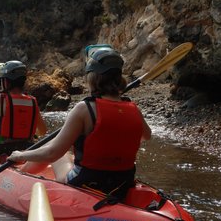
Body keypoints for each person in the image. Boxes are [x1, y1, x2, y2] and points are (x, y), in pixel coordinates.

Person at [8, 45, 151, 199]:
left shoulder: (85, 109)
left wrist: (21, 154)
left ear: (92, 78)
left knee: (59, 153)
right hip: (122, 183)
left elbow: (52, 154)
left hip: (87, 183)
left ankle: (20, 173)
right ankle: (22, 171)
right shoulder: (133, 108)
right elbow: (145, 136)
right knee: (63, 151)